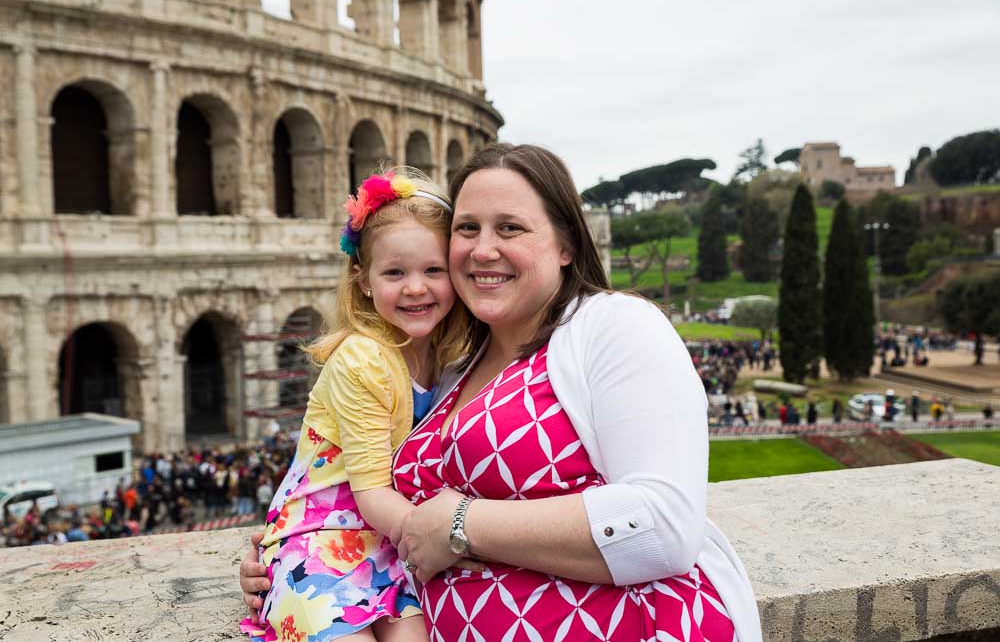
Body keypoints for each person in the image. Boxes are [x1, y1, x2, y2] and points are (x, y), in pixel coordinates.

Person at [241, 144, 761, 641]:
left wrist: (461, 525)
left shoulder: (615, 325)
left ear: (567, 244)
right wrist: (295, 553)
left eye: (510, 227)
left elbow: (665, 526)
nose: (483, 248)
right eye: (467, 228)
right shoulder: (449, 367)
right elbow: (356, 488)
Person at [240, 170, 481, 642]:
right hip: (320, 536)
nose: (416, 287)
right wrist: (455, 539)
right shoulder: (363, 357)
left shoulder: (451, 354)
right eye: (395, 272)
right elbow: (371, 491)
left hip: (393, 540)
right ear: (363, 280)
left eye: (433, 270)